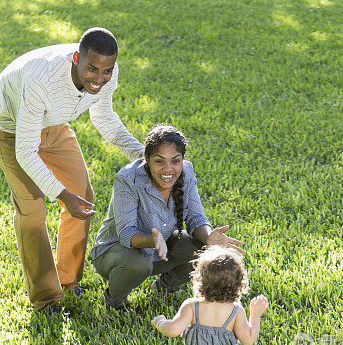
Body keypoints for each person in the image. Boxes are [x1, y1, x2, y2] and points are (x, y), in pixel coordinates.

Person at [0, 27, 143, 312]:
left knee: (82, 197)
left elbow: (104, 117)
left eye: (106, 71)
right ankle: (46, 298)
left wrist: (139, 153)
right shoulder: (41, 80)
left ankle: (68, 280)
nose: (99, 79)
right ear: (76, 59)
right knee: (33, 210)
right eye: (92, 69)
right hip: (9, 129)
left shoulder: (109, 72)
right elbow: (25, 152)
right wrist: (60, 194)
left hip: (53, 125)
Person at [90, 124, 242, 310]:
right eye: (159, 161)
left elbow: (196, 219)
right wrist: (153, 240)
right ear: (147, 159)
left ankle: (165, 287)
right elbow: (126, 233)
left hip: (159, 252)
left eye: (175, 161)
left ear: (182, 159)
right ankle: (115, 301)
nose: (168, 169)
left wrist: (209, 236)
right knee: (138, 264)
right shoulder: (128, 178)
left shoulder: (187, 172)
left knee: (203, 247)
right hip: (116, 254)